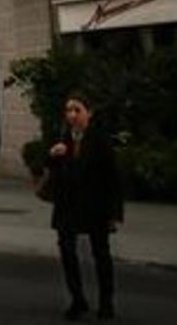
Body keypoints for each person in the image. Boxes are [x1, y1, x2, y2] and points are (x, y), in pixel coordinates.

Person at [46, 93, 123, 321]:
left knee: (101, 254)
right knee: (68, 253)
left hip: (95, 206)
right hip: (67, 206)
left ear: (88, 113)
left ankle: (106, 302)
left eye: (77, 110)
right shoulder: (61, 138)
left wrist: (114, 212)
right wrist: (52, 155)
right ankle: (77, 300)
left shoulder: (99, 140)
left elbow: (113, 178)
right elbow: (49, 169)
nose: (72, 115)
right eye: (68, 110)